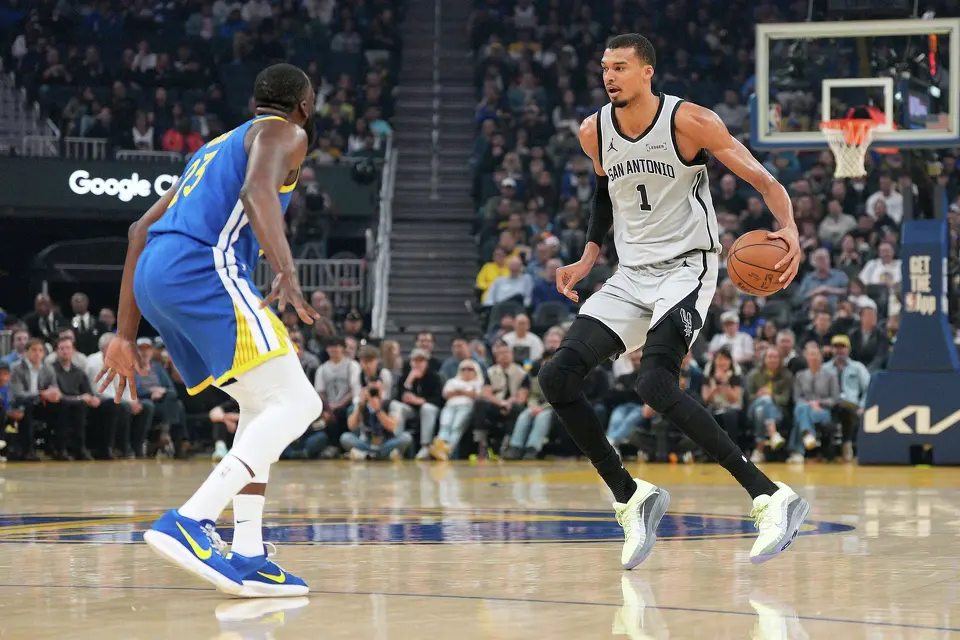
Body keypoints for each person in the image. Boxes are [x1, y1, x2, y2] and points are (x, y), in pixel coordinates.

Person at [538, 33, 809, 570]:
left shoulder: (690, 122)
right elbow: (602, 195)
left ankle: (770, 495)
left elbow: (762, 178)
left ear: (647, 72)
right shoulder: (594, 131)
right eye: (604, 68)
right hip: (632, 272)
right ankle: (631, 496)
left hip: (689, 265)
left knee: (655, 382)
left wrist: (791, 228)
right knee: (557, 378)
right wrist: (590, 255)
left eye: (619, 67)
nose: (609, 76)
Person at [96, 64, 321, 597]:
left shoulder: (214, 146)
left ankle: (247, 552)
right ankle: (193, 520)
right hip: (202, 267)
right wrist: (286, 271)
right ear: (304, 106)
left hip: (157, 272)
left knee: (263, 407)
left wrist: (125, 335)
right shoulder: (286, 132)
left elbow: (138, 231)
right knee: (300, 405)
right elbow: (258, 190)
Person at [789, 342, 840, 463]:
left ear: (821, 357)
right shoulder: (800, 375)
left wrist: (819, 403)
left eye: (817, 355)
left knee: (801, 414)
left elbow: (835, 398)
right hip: (805, 407)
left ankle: (797, 450)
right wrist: (810, 404)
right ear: (806, 357)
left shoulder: (830, 375)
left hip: (821, 410)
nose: (814, 358)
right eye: (811, 355)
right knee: (802, 409)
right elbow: (797, 397)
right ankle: (808, 436)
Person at [823, 335, 870, 462]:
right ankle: (830, 451)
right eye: (836, 347)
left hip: (852, 405)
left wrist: (863, 405)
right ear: (832, 350)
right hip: (831, 404)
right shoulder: (824, 368)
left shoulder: (858, 367)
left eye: (842, 347)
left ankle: (847, 444)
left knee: (845, 407)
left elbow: (868, 388)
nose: (839, 351)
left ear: (848, 349)